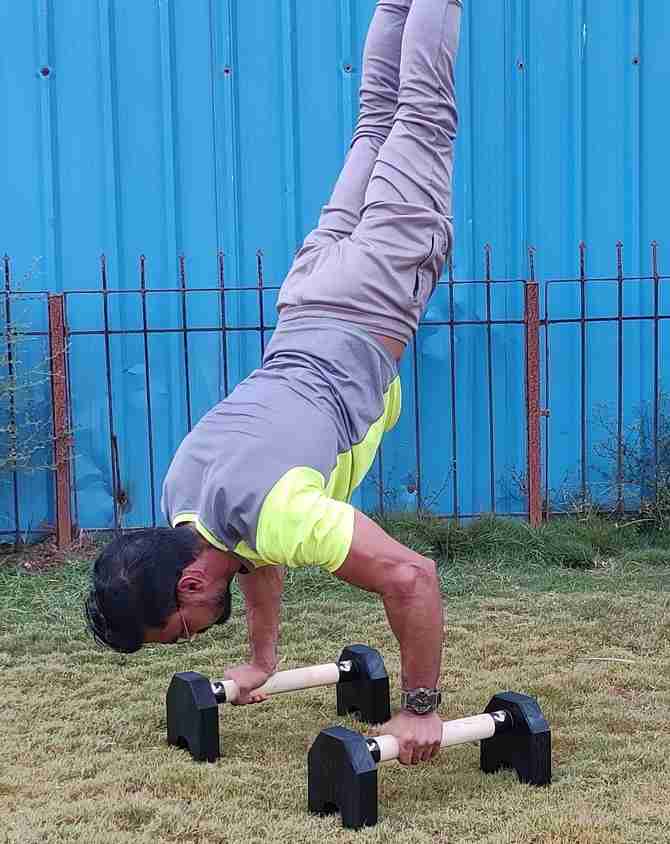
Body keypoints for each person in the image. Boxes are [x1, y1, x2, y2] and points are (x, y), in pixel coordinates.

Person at [86, 0, 462, 766]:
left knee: (421, 116)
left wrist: (422, 709)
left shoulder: (277, 513)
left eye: (186, 626)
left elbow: (410, 577)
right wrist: (261, 660)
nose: (195, 632)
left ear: (188, 583)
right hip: (306, 291)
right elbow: (250, 554)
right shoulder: (180, 494)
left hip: (366, 296)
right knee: (376, 121)